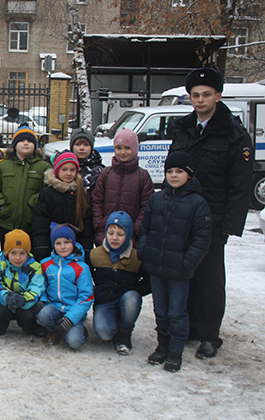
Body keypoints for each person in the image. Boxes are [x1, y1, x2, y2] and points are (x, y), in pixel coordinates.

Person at [168, 67, 253, 359]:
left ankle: (209, 335)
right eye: (195, 95)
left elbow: (240, 186)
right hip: (181, 215)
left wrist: (229, 225)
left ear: (218, 95)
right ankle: (190, 326)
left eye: (206, 94)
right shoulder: (183, 129)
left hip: (212, 218)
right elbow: (172, 171)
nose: (200, 100)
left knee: (209, 280)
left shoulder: (234, 135)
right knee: (184, 275)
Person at [138, 151, 212, 372]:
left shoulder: (197, 203)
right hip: (157, 267)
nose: (173, 175)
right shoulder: (157, 198)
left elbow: (201, 238)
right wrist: (144, 251)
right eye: (170, 171)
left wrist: (187, 262)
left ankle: (176, 350)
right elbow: (145, 228)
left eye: (179, 171)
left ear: (189, 175)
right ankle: (163, 345)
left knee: (177, 312)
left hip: (179, 271)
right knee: (160, 310)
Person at [0, 124, 51, 250]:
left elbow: (48, 191)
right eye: (21, 140)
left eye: (30, 141)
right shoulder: (5, 166)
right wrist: (1, 204)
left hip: (31, 223)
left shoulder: (43, 167)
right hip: (7, 222)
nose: (26, 143)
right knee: (8, 254)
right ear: (15, 144)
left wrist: (34, 203)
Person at [90, 211, 145, 355]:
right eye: (111, 233)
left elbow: (148, 281)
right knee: (104, 333)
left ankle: (124, 334)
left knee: (132, 298)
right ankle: (113, 323)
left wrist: (133, 290)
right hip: (104, 301)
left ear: (128, 235)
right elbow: (84, 278)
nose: (114, 238)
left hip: (125, 298)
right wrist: (96, 291)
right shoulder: (95, 255)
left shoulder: (136, 257)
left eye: (120, 234)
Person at [91, 128, 154, 247]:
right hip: (106, 234)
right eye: (119, 148)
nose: (123, 152)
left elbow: (147, 206)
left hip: (131, 237)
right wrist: (99, 223)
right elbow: (97, 201)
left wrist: (135, 229)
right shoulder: (106, 173)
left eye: (127, 148)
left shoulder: (142, 176)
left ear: (134, 149)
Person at [37, 223, 94, 349]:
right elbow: (41, 286)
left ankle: (78, 328)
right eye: (58, 243)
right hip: (54, 306)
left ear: (73, 243)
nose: (63, 247)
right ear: (53, 245)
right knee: (43, 315)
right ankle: (55, 331)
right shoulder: (46, 264)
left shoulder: (81, 267)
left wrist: (71, 318)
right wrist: (42, 301)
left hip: (73, 310)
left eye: (66, 242)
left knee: (75, 342)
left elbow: (87, 297)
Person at [0, 229, 46, 340]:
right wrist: (6, 296)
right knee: (1, 310)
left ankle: (30, 327)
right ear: (7, 253)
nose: (18, 258)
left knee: (27, 314)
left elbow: (37, 286)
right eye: (13, 253)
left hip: (25, 301)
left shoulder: (35, 267)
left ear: (28, 253)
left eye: (22, 253)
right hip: (5, 299)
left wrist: (25, 299)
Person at [31, 151, 93, 262]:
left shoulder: (81, 193)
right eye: (64, 170)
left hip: (75, 249)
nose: (68, 173)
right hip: (53, 248)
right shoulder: (48, 192)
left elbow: (86, 224)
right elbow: (40, 222)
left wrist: (86, 248)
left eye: (72, 170)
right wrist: (42, 248)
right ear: (57, 171)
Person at [70, 127, 105, 195]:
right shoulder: (65, 167)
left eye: (86, 144)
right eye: (78, 144)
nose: (82, 148)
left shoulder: (99, 172)